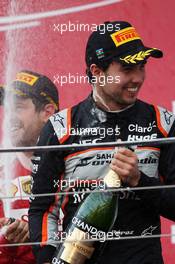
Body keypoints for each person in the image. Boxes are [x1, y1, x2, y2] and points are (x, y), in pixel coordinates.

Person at [29, 21, 175, 264]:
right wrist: (47, 259)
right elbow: (43, 210)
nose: (138, 78)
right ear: (96, 71)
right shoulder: (60, 127)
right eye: (128, 69)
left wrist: (139, 181)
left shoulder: (164, 124)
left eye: (142, 67)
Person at [0, 70, 59, 264]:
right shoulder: (2, 170)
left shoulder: (74, 165)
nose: (9, 118)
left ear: (47, 112)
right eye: (7, 109)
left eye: (18, 108)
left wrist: (34, 232)